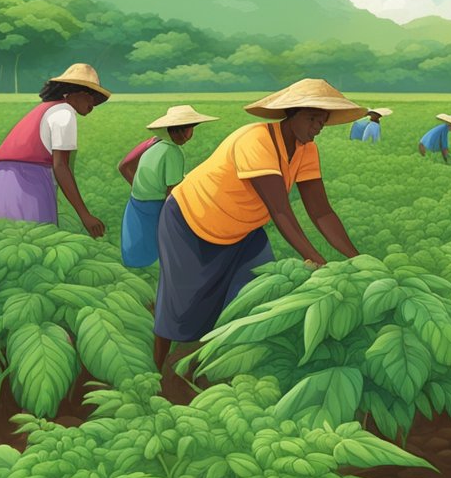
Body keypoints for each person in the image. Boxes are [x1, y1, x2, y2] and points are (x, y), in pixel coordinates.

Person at [152, 79, 363, 371]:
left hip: (243, 233)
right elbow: (280, 211)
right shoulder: (256, 140)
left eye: (323, 120)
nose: (319, 127)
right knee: (181, 308)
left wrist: (357, 259)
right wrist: (316, 259)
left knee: (252, 297)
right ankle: (158, 371)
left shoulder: (306, 150)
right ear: (293, 114)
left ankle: (212, 370)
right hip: (191, 222)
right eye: (313, 118)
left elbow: (321, 211)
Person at [0, 63, 110, 236]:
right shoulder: (65, 114)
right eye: (91, 96)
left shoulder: (46, 109)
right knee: (35, 243)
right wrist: (85, 215)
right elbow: (61, 166)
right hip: (27, 183)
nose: (93, 104)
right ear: (76, 93)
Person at [118, 105, 218, 269]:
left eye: (187, 129)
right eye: (182, 130)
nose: (186, 135)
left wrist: (145, 188)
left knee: (137, 259)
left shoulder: (154, 145)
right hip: (155, 210)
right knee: (159, 259)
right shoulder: (173, 153)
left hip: (136, 207)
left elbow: (127, 167)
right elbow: (172, 196)